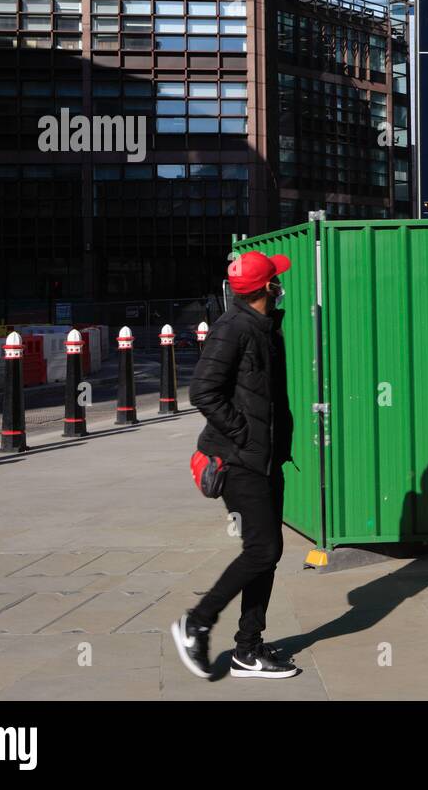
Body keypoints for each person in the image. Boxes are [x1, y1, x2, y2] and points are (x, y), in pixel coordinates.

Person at [171, 250, 298, 680]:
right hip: (238, 460)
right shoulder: (235, 328)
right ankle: (198, 622)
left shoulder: (262, 326)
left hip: (263, 458)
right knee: (262, 549)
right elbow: (203, 391)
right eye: (276, 279)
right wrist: (244, 434)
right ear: (266, 288)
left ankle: (248, 649)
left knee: (267, 553)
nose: (281, 284)